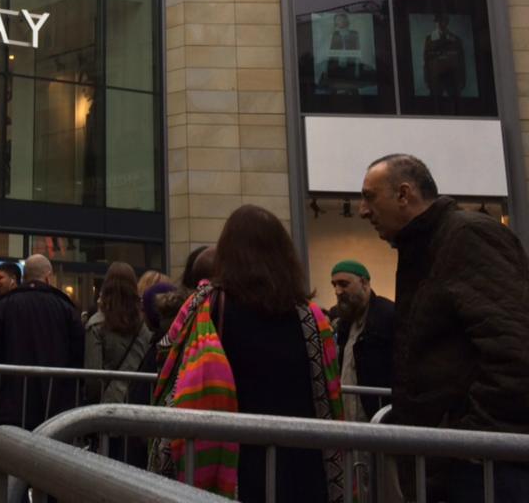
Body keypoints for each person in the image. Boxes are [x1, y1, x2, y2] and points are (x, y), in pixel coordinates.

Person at [359, 153, 529, 500]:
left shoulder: (468, 236)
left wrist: (467, 440)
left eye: (370, 197)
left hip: (481, 468)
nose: (363, 210)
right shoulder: (424, 247)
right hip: (454, 462)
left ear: (404, 194)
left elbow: (514, 349)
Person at [152, 205, 343, 502]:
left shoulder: (208, 307)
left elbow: (168, 357)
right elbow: (328, 395)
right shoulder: (312, 317)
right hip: (303, 466)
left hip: (230, 466)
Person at [0, 254, 85, 429]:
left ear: (24, 277)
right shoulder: (65, 307)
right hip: (55, 403)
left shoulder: (3, 306)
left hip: (9, 403)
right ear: (48, 277)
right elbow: (78, 352)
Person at [328, 260, 394, 422]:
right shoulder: (341, 319)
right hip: (348, 415)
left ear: (364, 283)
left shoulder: (388, 315)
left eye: (344, 284)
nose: (337, 291)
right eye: (334, 285)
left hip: (378, 414)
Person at [84, 262, 152, 405]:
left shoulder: (96, 325)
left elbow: (93, 378)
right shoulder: (145, 326)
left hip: (107, 404)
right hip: (139, 402)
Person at [423, 14, 466, 114]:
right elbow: (426, 61)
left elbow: (461, 61)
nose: (440, 24)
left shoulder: (455, 39)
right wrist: (427, 78)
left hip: (452, 76)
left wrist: (462, 79)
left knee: (455, 106)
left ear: (447, 23)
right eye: (438, 22)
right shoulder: (429, 39)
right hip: (436, 77)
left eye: (442, 21)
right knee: (436, 106)